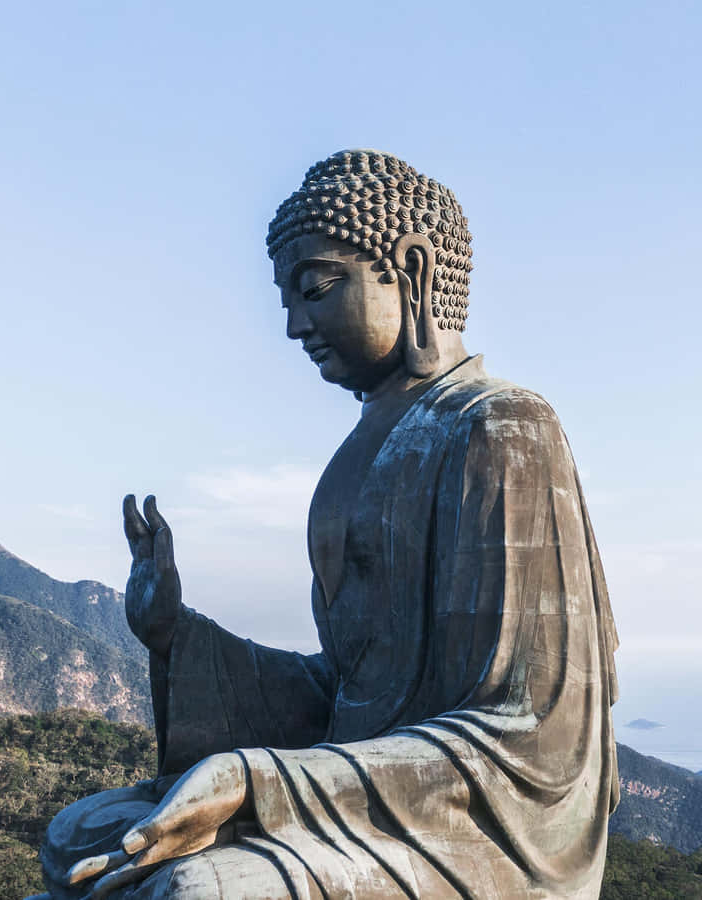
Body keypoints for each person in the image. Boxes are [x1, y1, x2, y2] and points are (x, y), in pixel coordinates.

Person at [39, 150, 619, 899]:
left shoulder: (504, 427)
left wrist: (260, 779)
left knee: (197, 892)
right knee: (77, 832)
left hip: (474, 833)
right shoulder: (360, 454)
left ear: (410, 270)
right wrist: (177, 634)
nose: (293, 324)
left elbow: (531, 735)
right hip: (358, 793)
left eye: (315, 288)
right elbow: (346, 694)